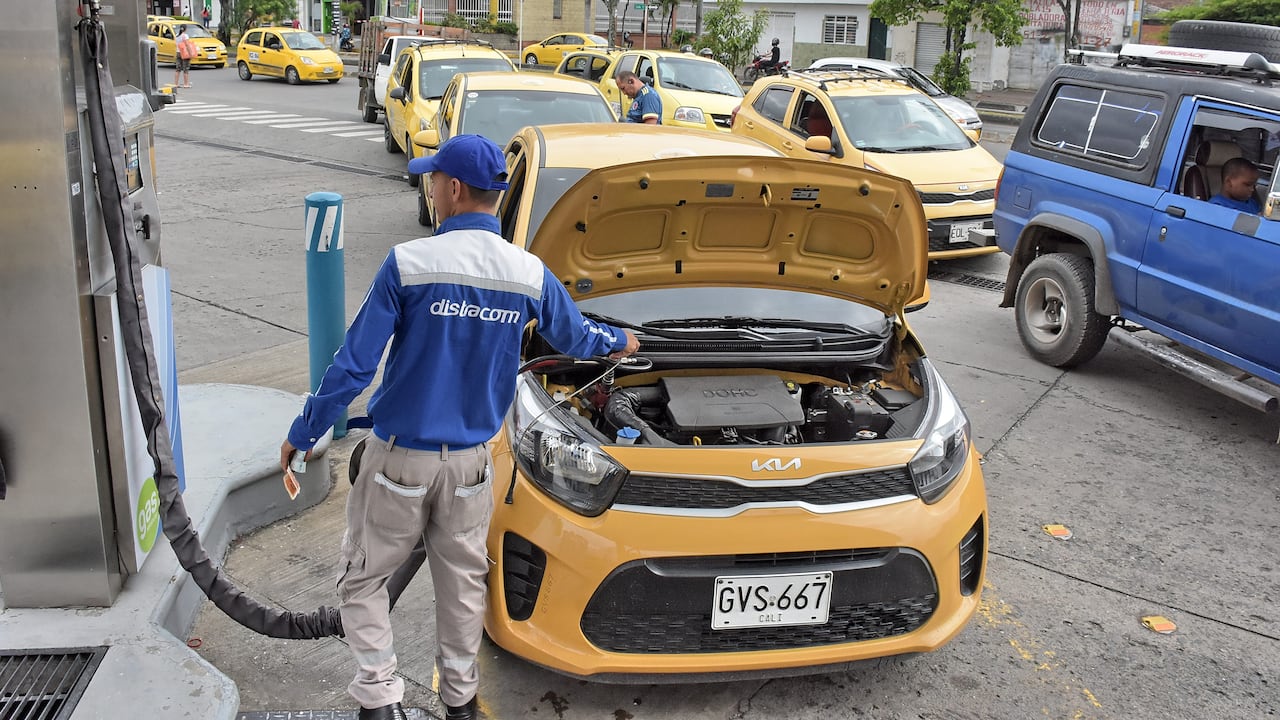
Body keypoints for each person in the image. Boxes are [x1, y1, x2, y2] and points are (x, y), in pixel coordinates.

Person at [278, 134, 639, 720]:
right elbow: (576, 339)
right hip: (472, 464)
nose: (429, 188)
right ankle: (462, 703)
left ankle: (380, 700)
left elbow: (353, 365)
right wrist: (621, 340)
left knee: (364, 580)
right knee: (463, 585)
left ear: (451, 189)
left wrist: (305, 429)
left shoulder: (409, 263)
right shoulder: (528, 272)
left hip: (398, 460)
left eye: (432, 180)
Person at [174, 24, 193, 89]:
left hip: (178, 52)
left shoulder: (177, 35)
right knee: (185, 69)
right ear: (185, 29)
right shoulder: (185, 36)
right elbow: (187, 45)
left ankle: (176, 84)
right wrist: (191, 53)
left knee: (178, 69)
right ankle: (186, 84)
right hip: (184, 53)